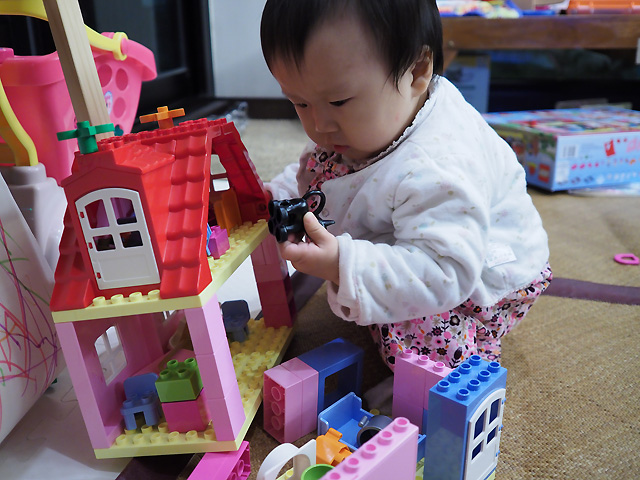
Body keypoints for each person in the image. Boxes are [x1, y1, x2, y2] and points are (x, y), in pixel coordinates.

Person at [260, 0, 552, 370]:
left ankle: (464, 353)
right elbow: (320, 174)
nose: (319, 125)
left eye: (338, 101)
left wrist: (341, 265)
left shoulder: (438, 165)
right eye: (300, 103)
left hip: (479, 280)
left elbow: (443, 274)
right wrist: (279, 195)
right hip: (432, 242)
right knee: (332, 160)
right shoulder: (365, 125)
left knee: (415, 337)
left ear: (417, 71)